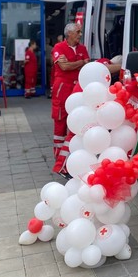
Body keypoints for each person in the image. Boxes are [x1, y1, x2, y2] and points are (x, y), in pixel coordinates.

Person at [51, 23, 89, 178]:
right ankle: (59, 159)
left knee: (76, 123)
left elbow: (87, 63)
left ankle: (70, 159)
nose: (80, 34)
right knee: (60, 123)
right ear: (69, 34)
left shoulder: (82, 48)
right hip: (62, 89)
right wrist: (80, 63)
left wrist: (71, 64)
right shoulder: (58, 47)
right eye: (78, 32)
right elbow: (64, 67)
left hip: (78, 89)